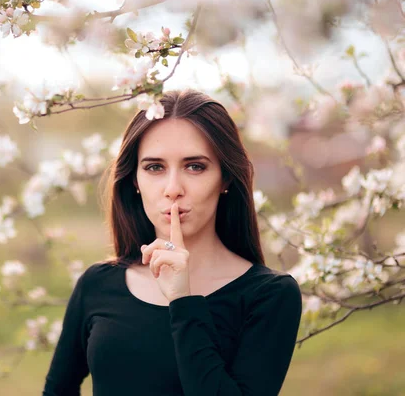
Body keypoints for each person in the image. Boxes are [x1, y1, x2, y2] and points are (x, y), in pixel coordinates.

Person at [42, 89, 303, 396]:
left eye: (195, 166)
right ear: (135, 181)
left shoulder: (269, 296)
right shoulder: (97, 284)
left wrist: (182, 301)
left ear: (226, 179)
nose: (173, 189)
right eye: (155, 167)